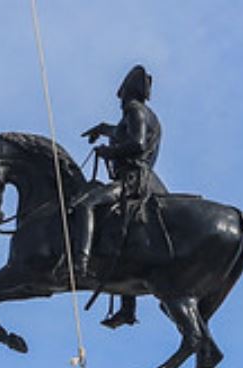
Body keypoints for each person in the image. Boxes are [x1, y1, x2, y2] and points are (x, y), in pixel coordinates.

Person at [71, 63, 164, 302]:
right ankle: (126, 305)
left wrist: (109, 153)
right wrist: (103, 129)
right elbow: (121, 132)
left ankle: (80, 264)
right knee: (120, 228)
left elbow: (137, 143)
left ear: (125, 91)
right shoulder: (143, 113)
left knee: (85, 204)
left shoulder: (135, 110)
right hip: (146, 179)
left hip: (133, 179)